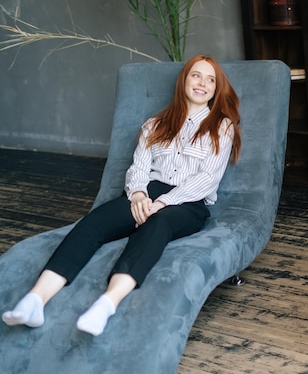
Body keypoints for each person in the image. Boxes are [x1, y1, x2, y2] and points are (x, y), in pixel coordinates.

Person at [2, 54, 241, 337]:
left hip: (187, 202)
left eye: (210, 79)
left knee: (158, 224)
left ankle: (106, 304)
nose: (202, 83)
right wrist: (139, 195)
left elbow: (207, 178)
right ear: (184, 81)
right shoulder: (155, 124)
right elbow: (138, 166)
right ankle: (35, 301)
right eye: (196, 75)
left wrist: (162, 203)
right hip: (147, 191)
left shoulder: (221, 126)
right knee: (95, 223)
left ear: (216, 89)